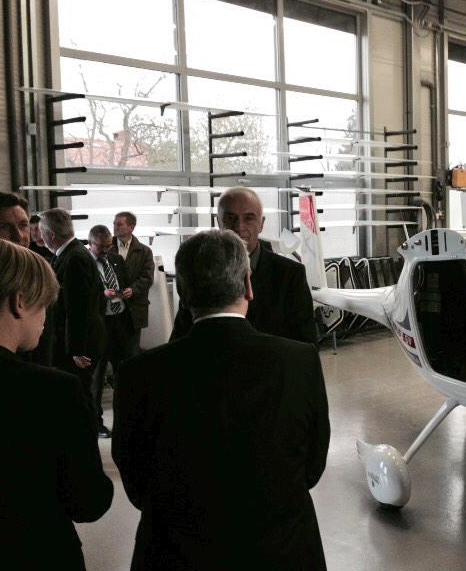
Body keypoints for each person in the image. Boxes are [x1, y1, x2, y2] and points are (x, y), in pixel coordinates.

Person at [113, 229, 330, 570]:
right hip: (281, 551)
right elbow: (312, 466)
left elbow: (137, 482)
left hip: (175, 555)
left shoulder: (137, 375)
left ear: (182, 292)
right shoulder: (299, 361)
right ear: (248, 285)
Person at [0, 238, 113, 570]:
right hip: (37, 553)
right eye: (45, 305)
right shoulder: (54, 390)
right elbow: (88, 502)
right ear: (20, 302)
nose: (45, 318)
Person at [170, 187, 317, 345]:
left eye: (249, 218)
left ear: (261, 224)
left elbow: (306, 344)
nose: (239, 226)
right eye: (230, 218)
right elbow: (181, 336)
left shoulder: (290, 274)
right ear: (218, 221)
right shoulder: (200, 270)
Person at [40, 208, 107, 418]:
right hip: (76, 341)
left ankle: (89, 432)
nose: (39, 237)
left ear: (51, 234)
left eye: (41, 232)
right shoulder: (69, 254)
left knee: (81, 397)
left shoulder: (75, 258)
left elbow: (78, 308)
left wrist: (77, 350)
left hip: (79, 346)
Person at [88, 225, 134, 439]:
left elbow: (124, 282)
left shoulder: (116, 259)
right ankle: (96, 423)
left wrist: (127, 291)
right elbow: (81, 296)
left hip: (120, 322)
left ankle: (126, 421)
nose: (107, 250)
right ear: (91, 243)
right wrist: (102, 294)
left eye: (109, 246)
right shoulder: (85, 263)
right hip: (99, 324)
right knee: (97, 377)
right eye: (102, 247)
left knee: (123, 374)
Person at [113, 211, 155, 356]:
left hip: (134, 308)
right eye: (114, 224)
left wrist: (133, 289)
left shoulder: (144, 251)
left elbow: (147, 277)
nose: (115, 227)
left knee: (131, 350)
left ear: (131, 227)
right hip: (111, 307)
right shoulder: (106, 247)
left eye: (119, 224)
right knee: (110, 351)